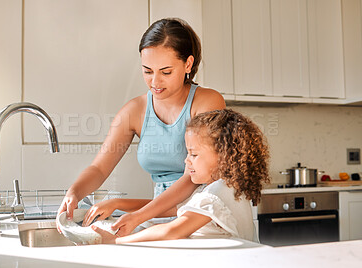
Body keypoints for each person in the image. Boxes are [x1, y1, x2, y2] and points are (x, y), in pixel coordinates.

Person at [57, 18, 226, 225]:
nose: (155, 82)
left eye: (166, 72)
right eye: (147, 71)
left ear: (188, 64)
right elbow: (100, 168)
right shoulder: (134, 111)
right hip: (157, 215)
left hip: (202, 216)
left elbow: (192, 180)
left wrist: (129, 209)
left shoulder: (208, 102)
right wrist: (74, 192)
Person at [90, 109, 270, 243]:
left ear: (224, 157)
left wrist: (115, 241)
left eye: (194, 154)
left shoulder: (217, 193)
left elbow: (172, 230)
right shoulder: (224, 188)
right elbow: (168, 209)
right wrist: (117, 204)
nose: (186, 161)